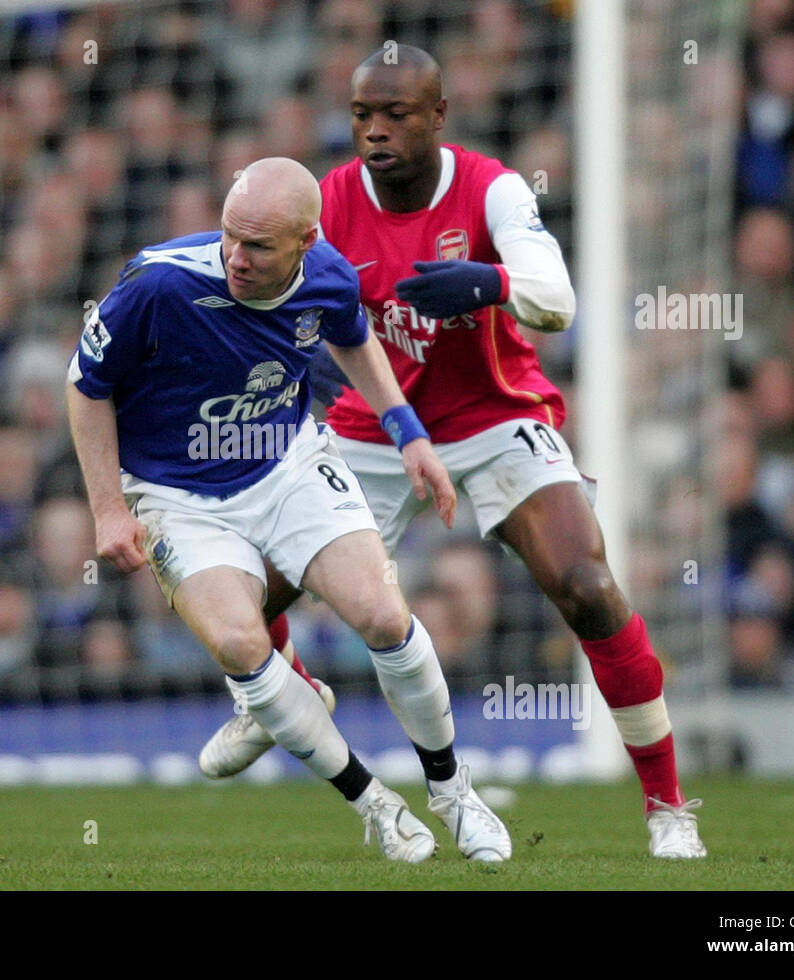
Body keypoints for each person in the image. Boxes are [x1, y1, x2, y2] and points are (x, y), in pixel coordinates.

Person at [198, 47, 707, 860]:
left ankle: (668, 805)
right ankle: (278, 697)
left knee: (586, 585)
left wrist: (489, 282)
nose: (375, 131)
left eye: (396, 114)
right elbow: (287, 305)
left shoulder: (492, 188)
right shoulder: (326, 204)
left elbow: (559, 300)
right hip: (379, 422)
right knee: (250, 596)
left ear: (438, 116)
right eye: (363, 114)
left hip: (494, 411)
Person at [67, 156, 512, 862]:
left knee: (384, 615)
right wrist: (106, 510)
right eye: (229, 237)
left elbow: (352, 336)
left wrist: (409, 432)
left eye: (258, 246)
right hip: (177, 497)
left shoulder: (331, 272)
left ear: (306, 242)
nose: (236, 258)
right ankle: (373, 804)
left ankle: (452, 790)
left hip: (288, 465)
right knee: (244, 645)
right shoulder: (158, 282)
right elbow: (85, 384)